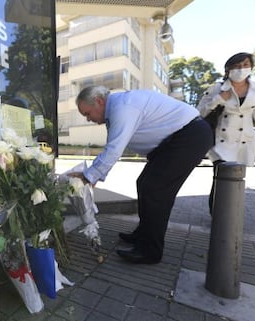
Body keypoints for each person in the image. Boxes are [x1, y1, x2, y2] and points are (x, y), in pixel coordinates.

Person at [71, 85, 213, 264]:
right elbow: (113, 148)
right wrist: (93, 175)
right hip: (175, 141)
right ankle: (143, 234)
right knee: (144, 183)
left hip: (189, 136)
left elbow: (114, 149)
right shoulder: (117, 108)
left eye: (88, 113)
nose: (88, 119)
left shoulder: (123, 107)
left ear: (99, 101)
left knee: (156, 190)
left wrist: (88, 176)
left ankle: (150, 250)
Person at [197, 52, 255, 214]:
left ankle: (231, 215)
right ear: (228, 69)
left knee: (237, 180)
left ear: (251, 67)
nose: (241, 69)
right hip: (221, 141)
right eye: (236, 66)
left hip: (244, 141)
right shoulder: (217, 88)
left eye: (245, 65)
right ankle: (218, 214)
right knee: (220, 180)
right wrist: (218, 99)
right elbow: (200, 112)